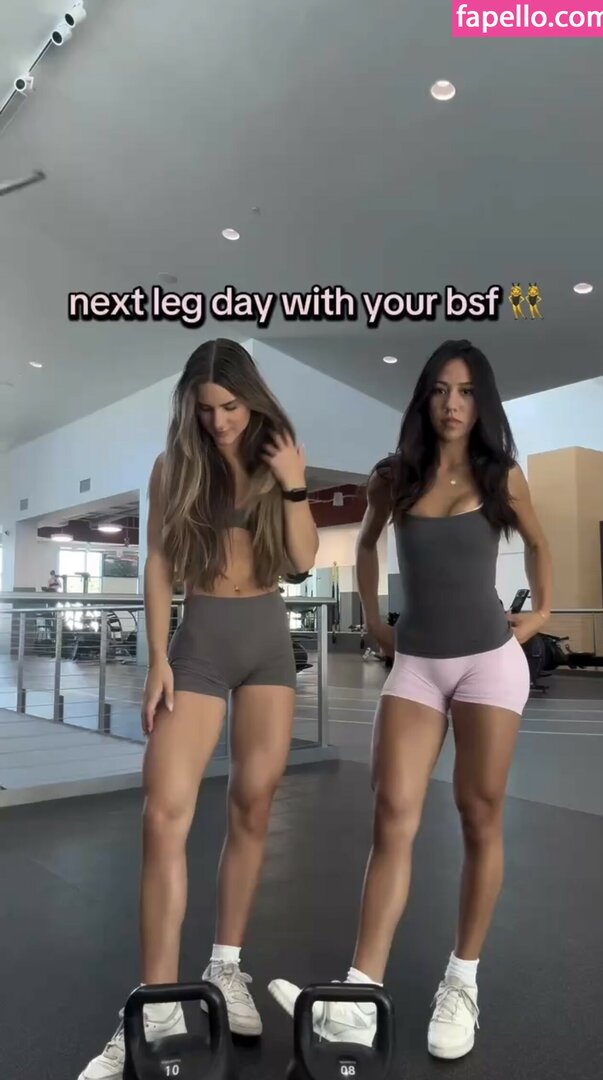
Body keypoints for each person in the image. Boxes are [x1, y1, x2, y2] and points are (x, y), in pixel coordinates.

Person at [268, 339, 552, 1059]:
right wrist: (371, 618)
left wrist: (542, 614)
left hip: (490, 663)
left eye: (466, 392)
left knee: (479, 815)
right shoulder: (393, 478)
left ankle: (462, 980)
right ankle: (359, 995)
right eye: (440, 390)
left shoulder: (502, 476)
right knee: (393, 814)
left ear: (482, 403)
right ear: (424, 398)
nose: (452, 404)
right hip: (418, 665)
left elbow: (540, 544)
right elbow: (365, 546)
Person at [79, 338, 319, 1080]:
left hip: (268, 641)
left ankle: (226, 966)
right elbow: (159, 562)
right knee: (164, 811)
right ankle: (154, 1005)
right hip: (202, 642)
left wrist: (295, 483)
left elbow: (304, 560)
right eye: (206, 408)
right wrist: (157, 657)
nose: (219, 421)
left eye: (230, 406)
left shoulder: (280, 458)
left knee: (254, 805)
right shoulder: (174, 467)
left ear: (252, 398)